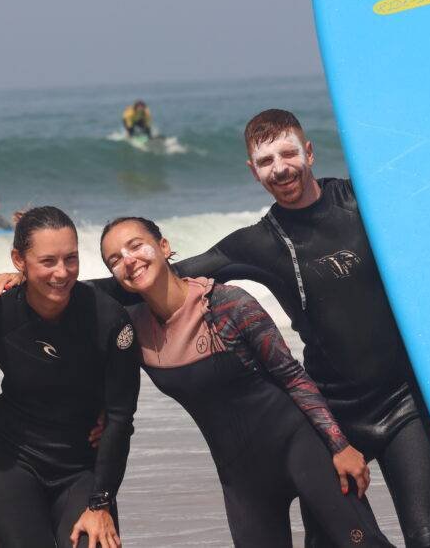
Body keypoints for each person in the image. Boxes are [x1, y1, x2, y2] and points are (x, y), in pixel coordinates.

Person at [88, 69, 430, 548]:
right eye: (265, 161)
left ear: (309, 151)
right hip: (333, 411)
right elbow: (160, 275)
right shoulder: (259, 243)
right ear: (253, 172)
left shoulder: (365, 201)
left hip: (403, 403)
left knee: (428, 539)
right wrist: (57, 286)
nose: (280, 168)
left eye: (288, 153)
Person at [100, 216, 394, 547]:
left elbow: (292, 376)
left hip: (301, 447)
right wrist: (97, 414)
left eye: (136, 246)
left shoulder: (227, 304)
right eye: (114, 259)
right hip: (240, 477)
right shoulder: (134, 333)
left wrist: (339, 445)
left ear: (164, 246)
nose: (128, 260)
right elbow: (92, 348)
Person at [0, 206, 140, 548]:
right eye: (48, 261)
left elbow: (120, 417)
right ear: (19, 260)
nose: (62, 273)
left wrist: (101, 502)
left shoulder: (108, 320)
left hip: (81, 467)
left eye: (71, 259)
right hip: (9, 462)